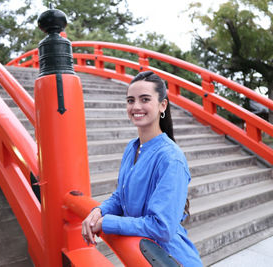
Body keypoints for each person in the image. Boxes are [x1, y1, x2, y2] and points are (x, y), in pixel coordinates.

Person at [82, 71, 202, 266]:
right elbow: (122, 196)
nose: (136, 106)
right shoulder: (132, 147)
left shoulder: (171, 158)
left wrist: (109, 223)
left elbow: (162, 227)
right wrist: (100, 211)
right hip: (142, 254)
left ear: (163, 105)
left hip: (168, 259)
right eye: (130, 100)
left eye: (145, 99)